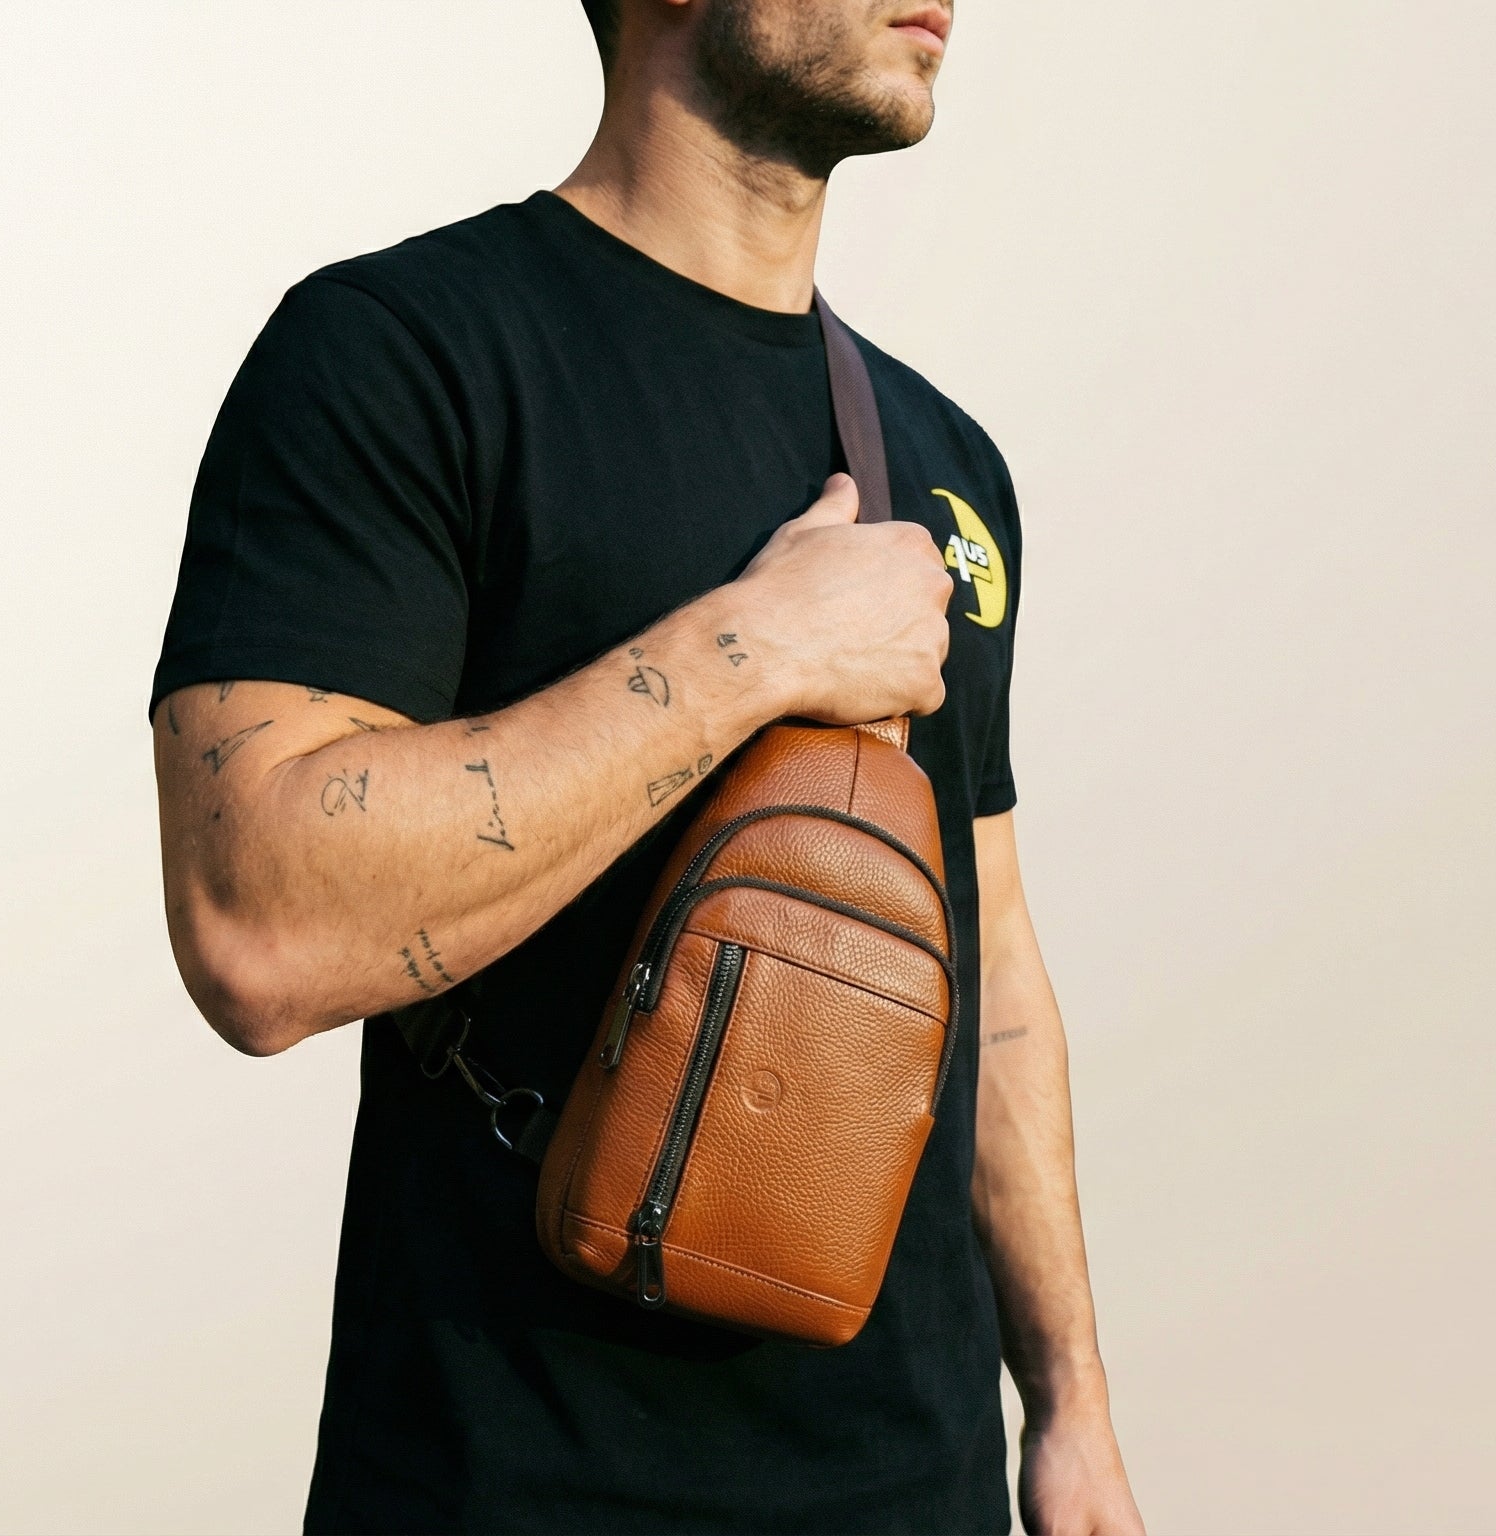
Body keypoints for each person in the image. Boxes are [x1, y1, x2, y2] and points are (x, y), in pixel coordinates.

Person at [148, 2, 1143, 1530]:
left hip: (917, 1487)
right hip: (522, 1481)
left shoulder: (948, 464)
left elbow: (994, 977)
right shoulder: (398, 359)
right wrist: (759, 650)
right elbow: (255, 927)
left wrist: (1071, 1407)